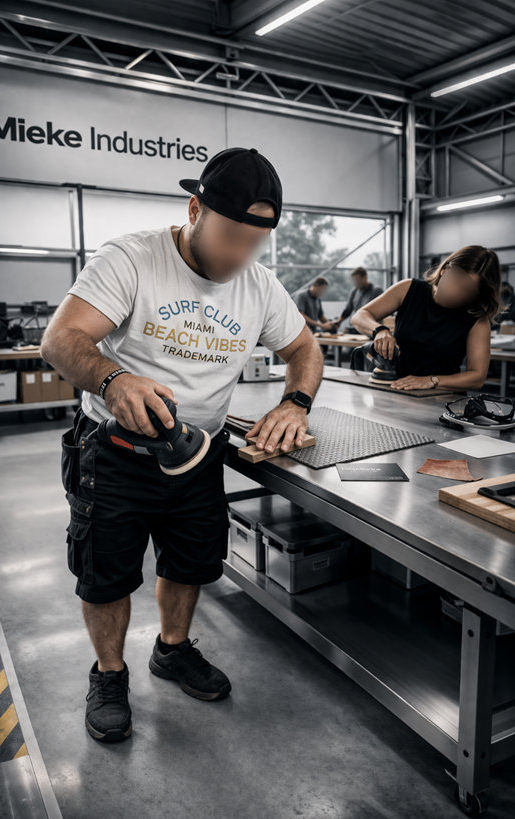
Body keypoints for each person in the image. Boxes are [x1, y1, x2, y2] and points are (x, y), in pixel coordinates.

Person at [40, 146, 324, 742]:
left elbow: (305, 350)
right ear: (195, 209)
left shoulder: (259, 285)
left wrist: (294, 402)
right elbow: (61, 339)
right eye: (229, 238)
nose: (239, 256)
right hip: (115, 453)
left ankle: (171, 651)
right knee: (106, 573)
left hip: (201, 455)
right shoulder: (132, 259)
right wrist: (113, 380)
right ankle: (110, 673)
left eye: (255, 243)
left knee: (190, 561)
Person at [350, 245, 502, 391]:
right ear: (445, 269)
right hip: (396, 390)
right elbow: (360, 316)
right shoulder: (409, 289)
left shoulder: (477, 320)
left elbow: (477, 377)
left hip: (443, 400)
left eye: (467, 291)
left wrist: (430, 381)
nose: (455, 292)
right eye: (455, 281)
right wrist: (379, 330)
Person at [332, 267, 383, 333]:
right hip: (356, 328)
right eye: (354, 281)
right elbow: (348, 309)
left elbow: (381, 312)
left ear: (365, 277)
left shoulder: (377, 291)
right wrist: (339, 321)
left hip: (371, 329)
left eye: (357, 280)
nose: (356, 283)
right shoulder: (354, 291)